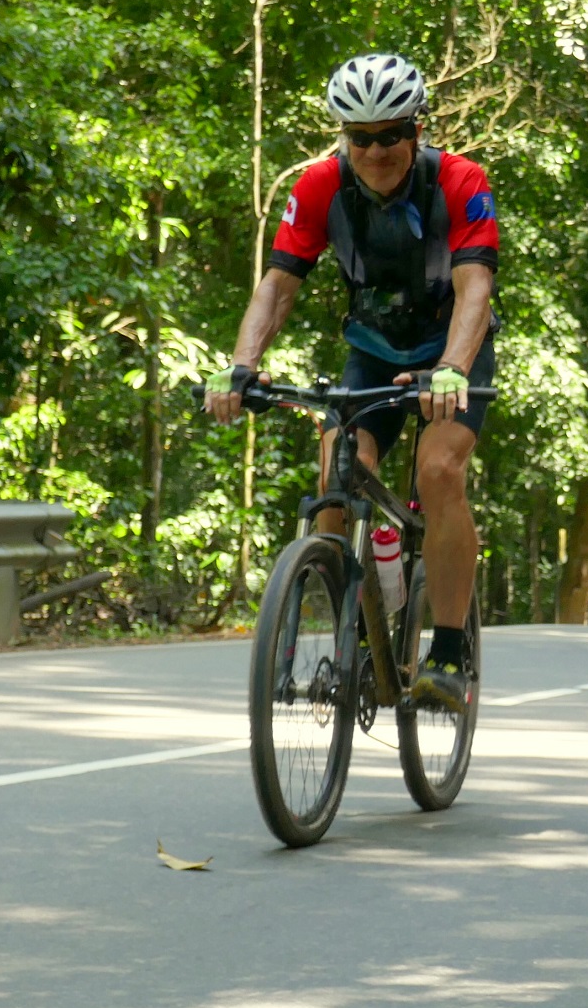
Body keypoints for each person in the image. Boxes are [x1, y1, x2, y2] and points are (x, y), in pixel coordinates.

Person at [204, 53, 498, 712]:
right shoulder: (317, 186)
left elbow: (474, 284)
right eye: (360, 137)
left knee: (439, 471)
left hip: (452, 350)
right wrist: (241, 365)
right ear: (344, 137)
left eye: (390, 134)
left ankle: (447, 651)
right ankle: (356, 627)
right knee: (338, 474)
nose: (376, 150)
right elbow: (278, 286)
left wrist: (450, 367)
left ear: (415, 131)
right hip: (372, 348)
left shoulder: (459, 180)